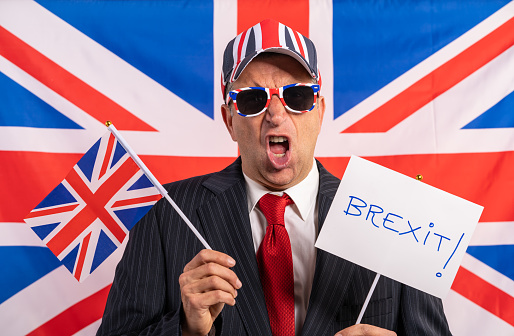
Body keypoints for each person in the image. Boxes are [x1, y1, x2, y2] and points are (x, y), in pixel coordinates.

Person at [97, 19, 452, 336]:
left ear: (321, 112)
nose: (276, 114)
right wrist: (188, 329)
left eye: (297, 96)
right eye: (253, 99)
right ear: (229, 121)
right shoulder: (167, 216)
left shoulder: (396, 222)